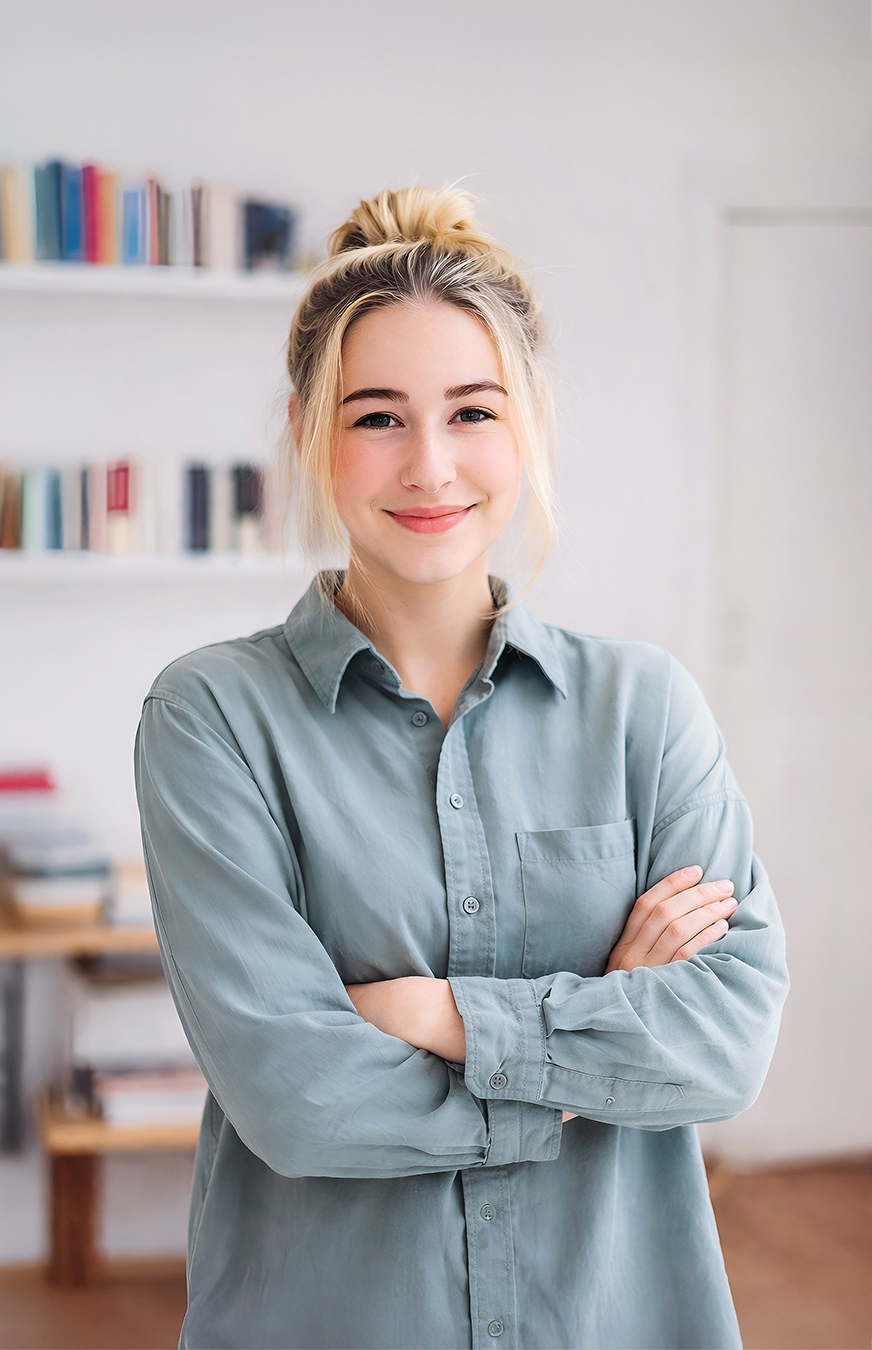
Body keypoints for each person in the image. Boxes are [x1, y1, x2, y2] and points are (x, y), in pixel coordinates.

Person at [133, 185, 788, 1350]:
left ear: (528, 425)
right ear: (307, 433)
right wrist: (595, 1056)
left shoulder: (644, 710)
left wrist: (440, 1014)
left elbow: (725, 1041)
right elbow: (299, 1100)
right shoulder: (212, 719)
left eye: (472, 412)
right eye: (377, 416)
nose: (429, 466)